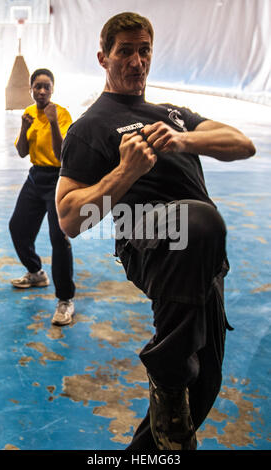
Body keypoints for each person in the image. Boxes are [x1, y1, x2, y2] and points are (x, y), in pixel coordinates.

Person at [55, 12, 256, 449]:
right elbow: (70, 218)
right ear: (103, 58)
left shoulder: (172, 114)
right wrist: (125, 173)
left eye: (144, 50)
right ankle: (165, 374)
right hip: (151, 241)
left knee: (200, 391)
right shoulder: (92, 127)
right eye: (124, 51)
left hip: (203, 255)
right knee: (200, 220)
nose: (136, 61)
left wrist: (184, 139)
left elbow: (242, 143)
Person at [9, 68, 75, 326]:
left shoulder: (62, 114)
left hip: (59, 178)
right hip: (36, 177)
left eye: (47, 86)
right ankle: (36, 272)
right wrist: (24, 127)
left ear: (53, 88)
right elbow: (22, 152)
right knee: (17, 227)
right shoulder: (28, 114)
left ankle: (65, 300)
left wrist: (53, 123)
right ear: (31, 89)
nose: (42, 91)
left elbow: (62, 155)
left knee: (58, 237)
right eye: (38, 86)